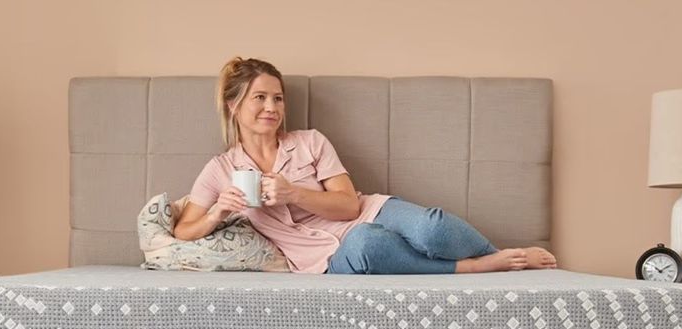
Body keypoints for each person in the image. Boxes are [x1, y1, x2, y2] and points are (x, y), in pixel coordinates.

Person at [174, 57, 558, 275]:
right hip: (324, 257)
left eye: (278, 98)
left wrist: (292, 192)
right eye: (260, 98)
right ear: (233, 106)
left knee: (432, 225)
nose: (272, 108)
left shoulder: (310, 142)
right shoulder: (221, 168)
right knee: (369, 244)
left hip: (367, 211)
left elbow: (350, 206)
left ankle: (500, 254)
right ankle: (472, 268)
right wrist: (217, 213)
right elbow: (183, 230)